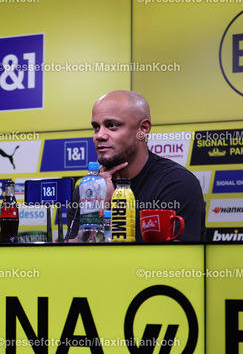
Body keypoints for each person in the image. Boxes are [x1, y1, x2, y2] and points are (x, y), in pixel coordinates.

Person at [66, 90, 206, 242]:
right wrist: (99, 208)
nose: (99, 136)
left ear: (143, 129)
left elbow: (176, 256)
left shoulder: (177, 184)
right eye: (96, 127)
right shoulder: (89, 189)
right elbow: (70, 253)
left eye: (112, 126)